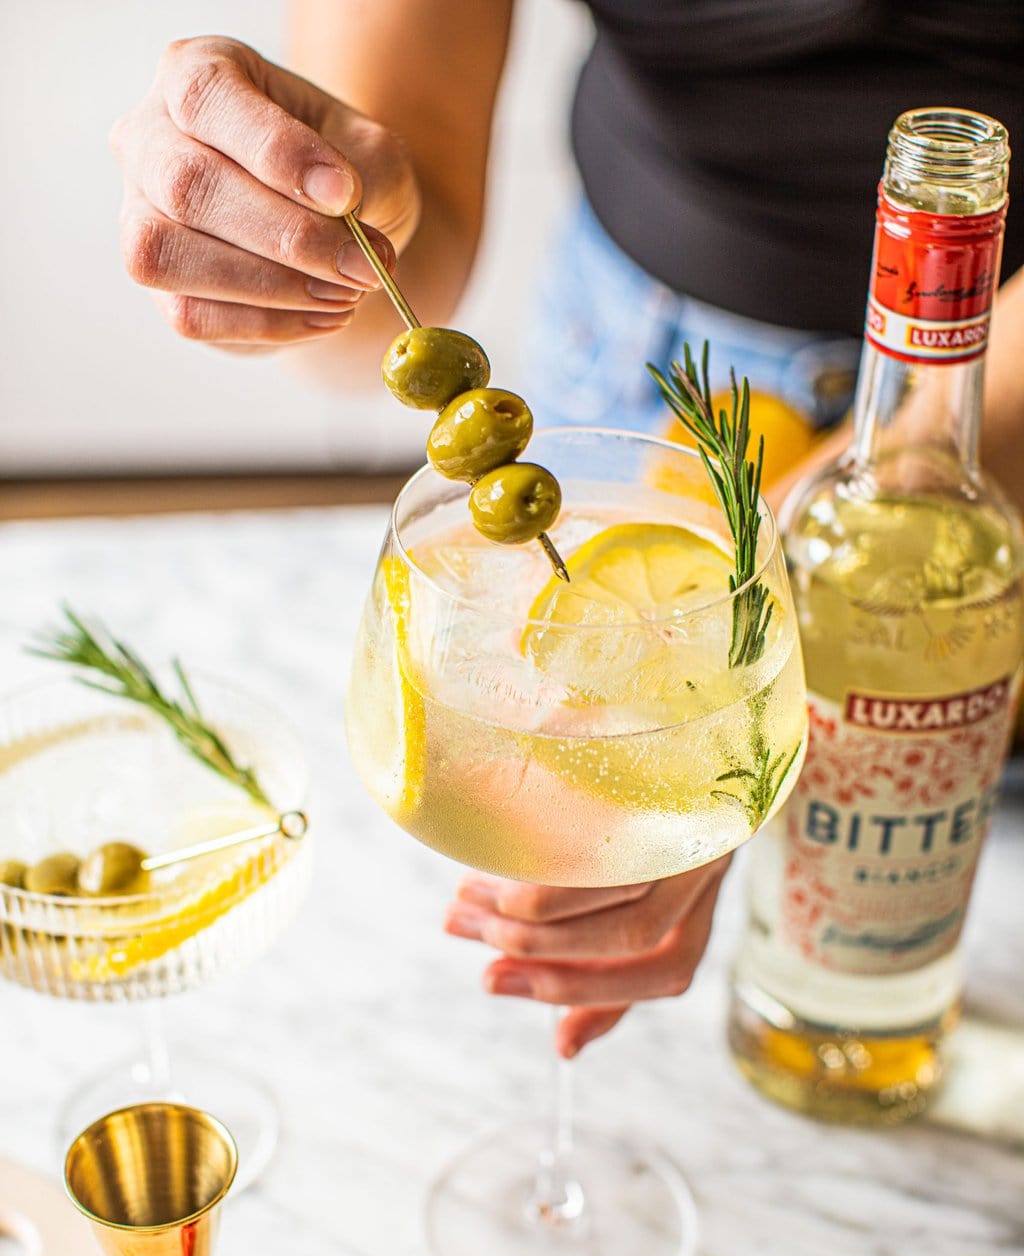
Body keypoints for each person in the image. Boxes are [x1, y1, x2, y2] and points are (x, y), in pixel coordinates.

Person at [111, 4, 1024, 1057]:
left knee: (924, 859)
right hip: (635, 375)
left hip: (991, 417)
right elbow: (390, 299)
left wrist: (723, 703)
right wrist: (304, 239)